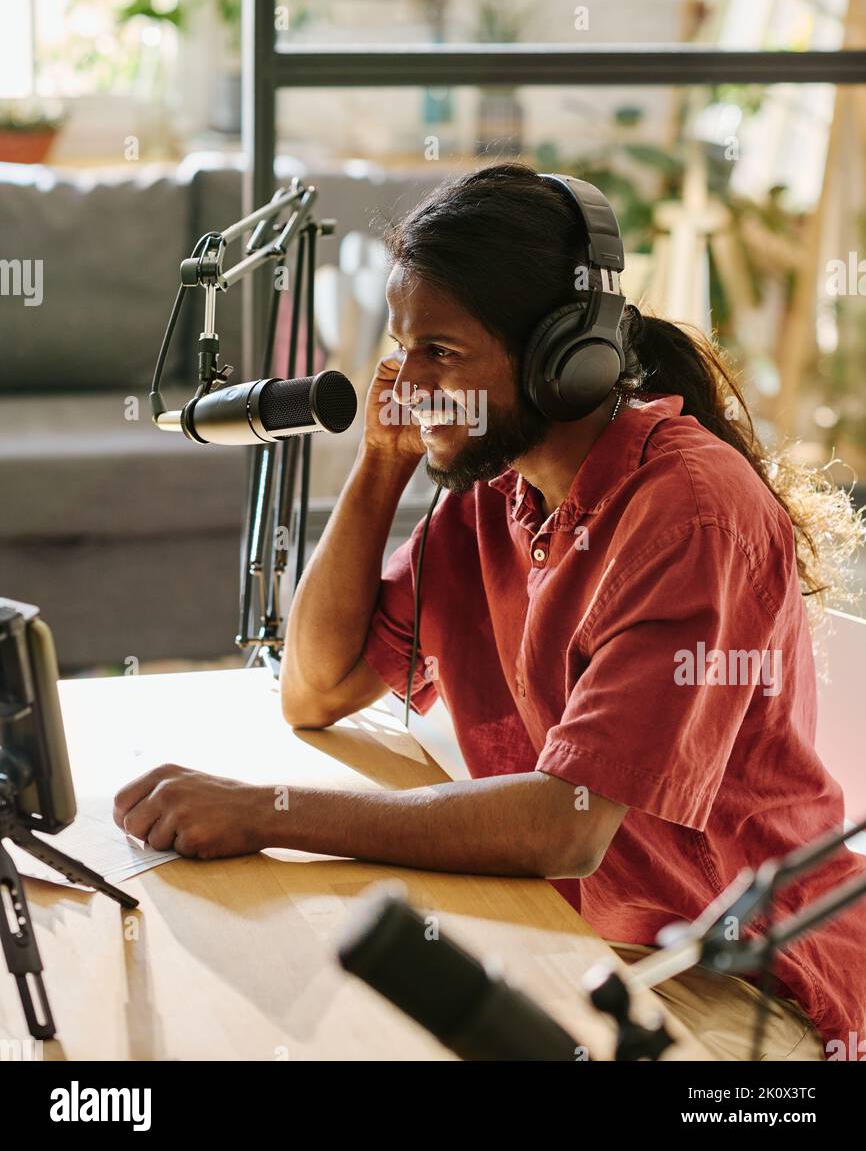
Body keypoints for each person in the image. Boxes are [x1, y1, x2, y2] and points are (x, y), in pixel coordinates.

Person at [114, 161, 866, 1061]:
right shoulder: (494, 497)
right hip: (581, 939)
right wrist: (382, 465)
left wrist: (268, 812)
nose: (406, 378)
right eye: (402, 347)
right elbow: (316, 688)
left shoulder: (689, 513)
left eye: (440, 350)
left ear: (561, 356)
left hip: (742, 982)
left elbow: (568, 823)